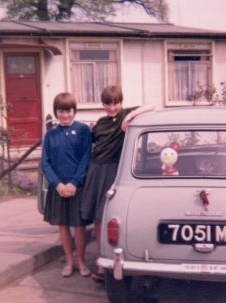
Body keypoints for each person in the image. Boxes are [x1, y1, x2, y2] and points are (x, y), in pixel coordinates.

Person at [81, 85, 155, 283]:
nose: (112, 107)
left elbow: (151, 106)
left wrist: (130, 118)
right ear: (103, 104)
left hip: (114, 170)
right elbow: (91, 141)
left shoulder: (126, 116)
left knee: (111, 216)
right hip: (96, 170)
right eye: (108, 104)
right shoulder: (101, 122)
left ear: (121, 102)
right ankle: (100, 262)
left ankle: (110, 259)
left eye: (115, 103)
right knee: (98, 218)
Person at [41, 92, 92, 278]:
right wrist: (57, 184)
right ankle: (69, 262)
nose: (65, 115)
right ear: (56, 112)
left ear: (74, 111)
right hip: (58, 189)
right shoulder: (51, 135)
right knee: (62, 225)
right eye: (61, 111)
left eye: (69, 111)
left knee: (79, 227)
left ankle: (82, 261)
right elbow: (45, 163)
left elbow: (86, 158)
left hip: (77, 187)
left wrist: (74, 183)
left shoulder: (83, 130)